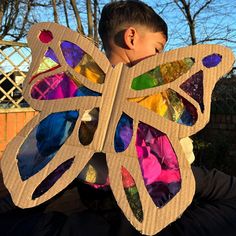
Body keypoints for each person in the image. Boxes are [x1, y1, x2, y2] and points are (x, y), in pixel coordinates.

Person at [0, 1, 236, 236]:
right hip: (155, 183)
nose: (158, 56)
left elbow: (49, 140)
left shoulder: (81, 79)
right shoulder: (152, 88)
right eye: (157, 49)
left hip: (90, 193)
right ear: (131, 37)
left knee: (27, 197)